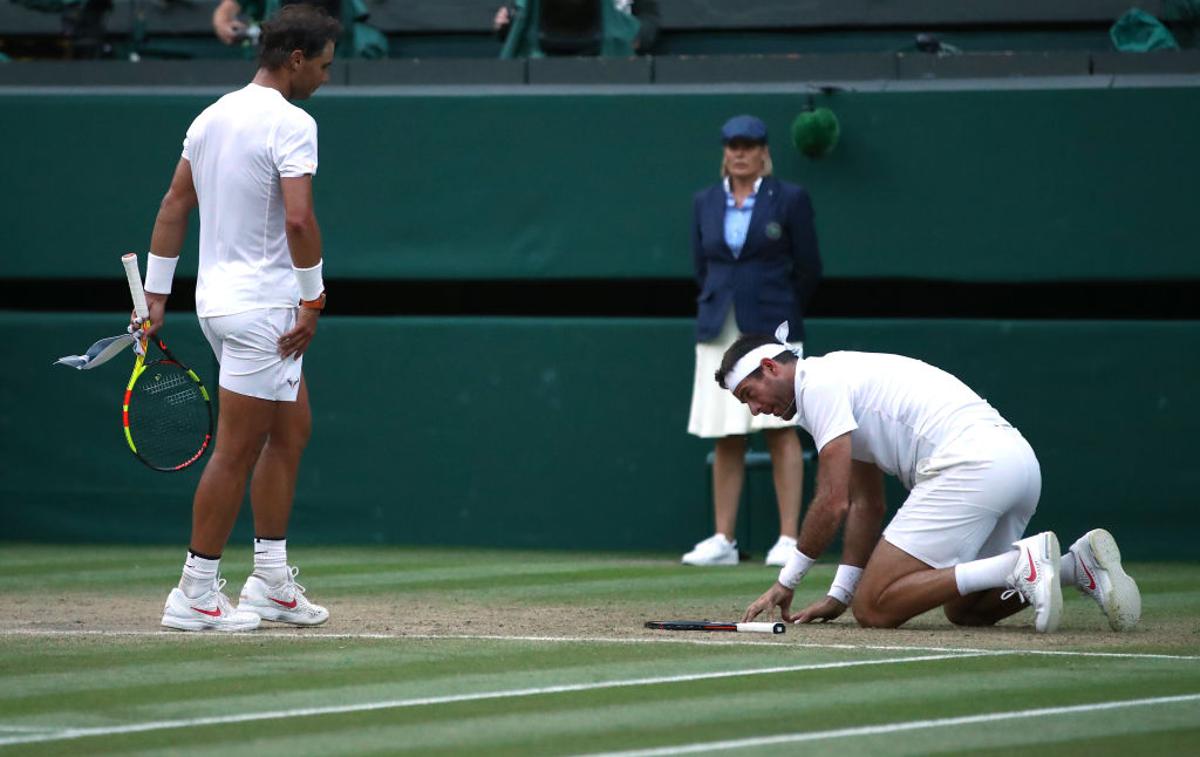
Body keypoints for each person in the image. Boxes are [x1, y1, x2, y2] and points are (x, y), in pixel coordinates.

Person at [134, 5, 340, 632]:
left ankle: (271, 580)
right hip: (263, 310)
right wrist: (314, 296)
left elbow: (174, 203)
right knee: (235, 450)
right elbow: (299, 220)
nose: (327, 79)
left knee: (291, 429)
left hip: (219, 307)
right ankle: (195, 591)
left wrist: (156, 295)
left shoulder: (209, 117)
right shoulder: (293, 122)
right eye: (324, 66)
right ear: (296, 60)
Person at [717, 329, 1142, 633]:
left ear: (770, 367)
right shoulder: (836, 381)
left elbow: (833, 502)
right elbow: (867, 504)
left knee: (875, 608)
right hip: (1018, 465)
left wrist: (786, 582)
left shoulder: (819, 384)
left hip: (971, 465)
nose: (754, 411)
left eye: (749, 395)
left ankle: (1021, 563)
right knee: (965, 610)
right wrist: (839, 593)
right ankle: (1074, 566)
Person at [681, 115, 823, 568]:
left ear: (764, 151)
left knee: (780, 429)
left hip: (772, 330)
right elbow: (702, 267)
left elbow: (809, 268)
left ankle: (787, 538)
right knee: (727, 433)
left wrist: (777, 309)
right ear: (724, 151)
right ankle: (724, 538)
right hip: (718, 327)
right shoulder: (704, 202)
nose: (740, 153)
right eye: (732, 145)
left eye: (749, 145)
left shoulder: (791, 199)